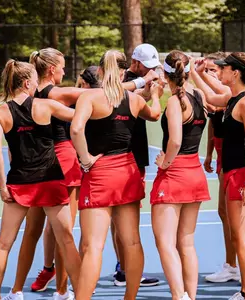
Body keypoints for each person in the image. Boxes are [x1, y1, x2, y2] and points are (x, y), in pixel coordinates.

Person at [70, 49, 162, 300]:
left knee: (92, 246)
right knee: (132, 242)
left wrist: (85, 158)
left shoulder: (90, 97)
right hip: (127, 170)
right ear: (123, 72)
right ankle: (130, 297)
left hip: (100, 173)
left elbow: (76, 129)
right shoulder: (132, 99)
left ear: (99, 71)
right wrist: (154, 96)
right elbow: (154, 115)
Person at [0, 60, 80, 300]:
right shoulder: (45, 105)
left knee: (3, 244)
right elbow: (81, 118)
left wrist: (1, 187)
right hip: (51, 180)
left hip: (19, 183)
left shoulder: (0, 113)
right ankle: (82, 294)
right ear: (28, 82)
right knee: (67, 240)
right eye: (36, 82)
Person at [192, 52, 245, 300]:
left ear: (235, 73)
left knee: (241, 238)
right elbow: (209, 96)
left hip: (242, 175)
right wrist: (195, 72)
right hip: (233, 172)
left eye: (223, 68)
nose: (219, 71)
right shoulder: (231, 99)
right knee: (237, 235)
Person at [150, 50, 211, 300]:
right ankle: (190, 296)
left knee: (165, 242)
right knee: (186, 242)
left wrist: (165, 162)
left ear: (166, 74)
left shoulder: (176, 102)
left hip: (175, 174)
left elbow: (174, 140)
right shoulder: (199, 96)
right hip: (195, 172)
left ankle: (178, 296)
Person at [111, 43, 162, 288]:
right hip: (123, 156)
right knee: (124, 217)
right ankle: (126, 269)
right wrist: (149, 89)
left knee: (123, 216)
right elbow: (122, 96)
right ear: (137, 63)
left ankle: (123, 268)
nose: (150, 71)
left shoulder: (140, 79)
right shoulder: (126, 79)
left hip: (135, 155)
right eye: (147, 67)